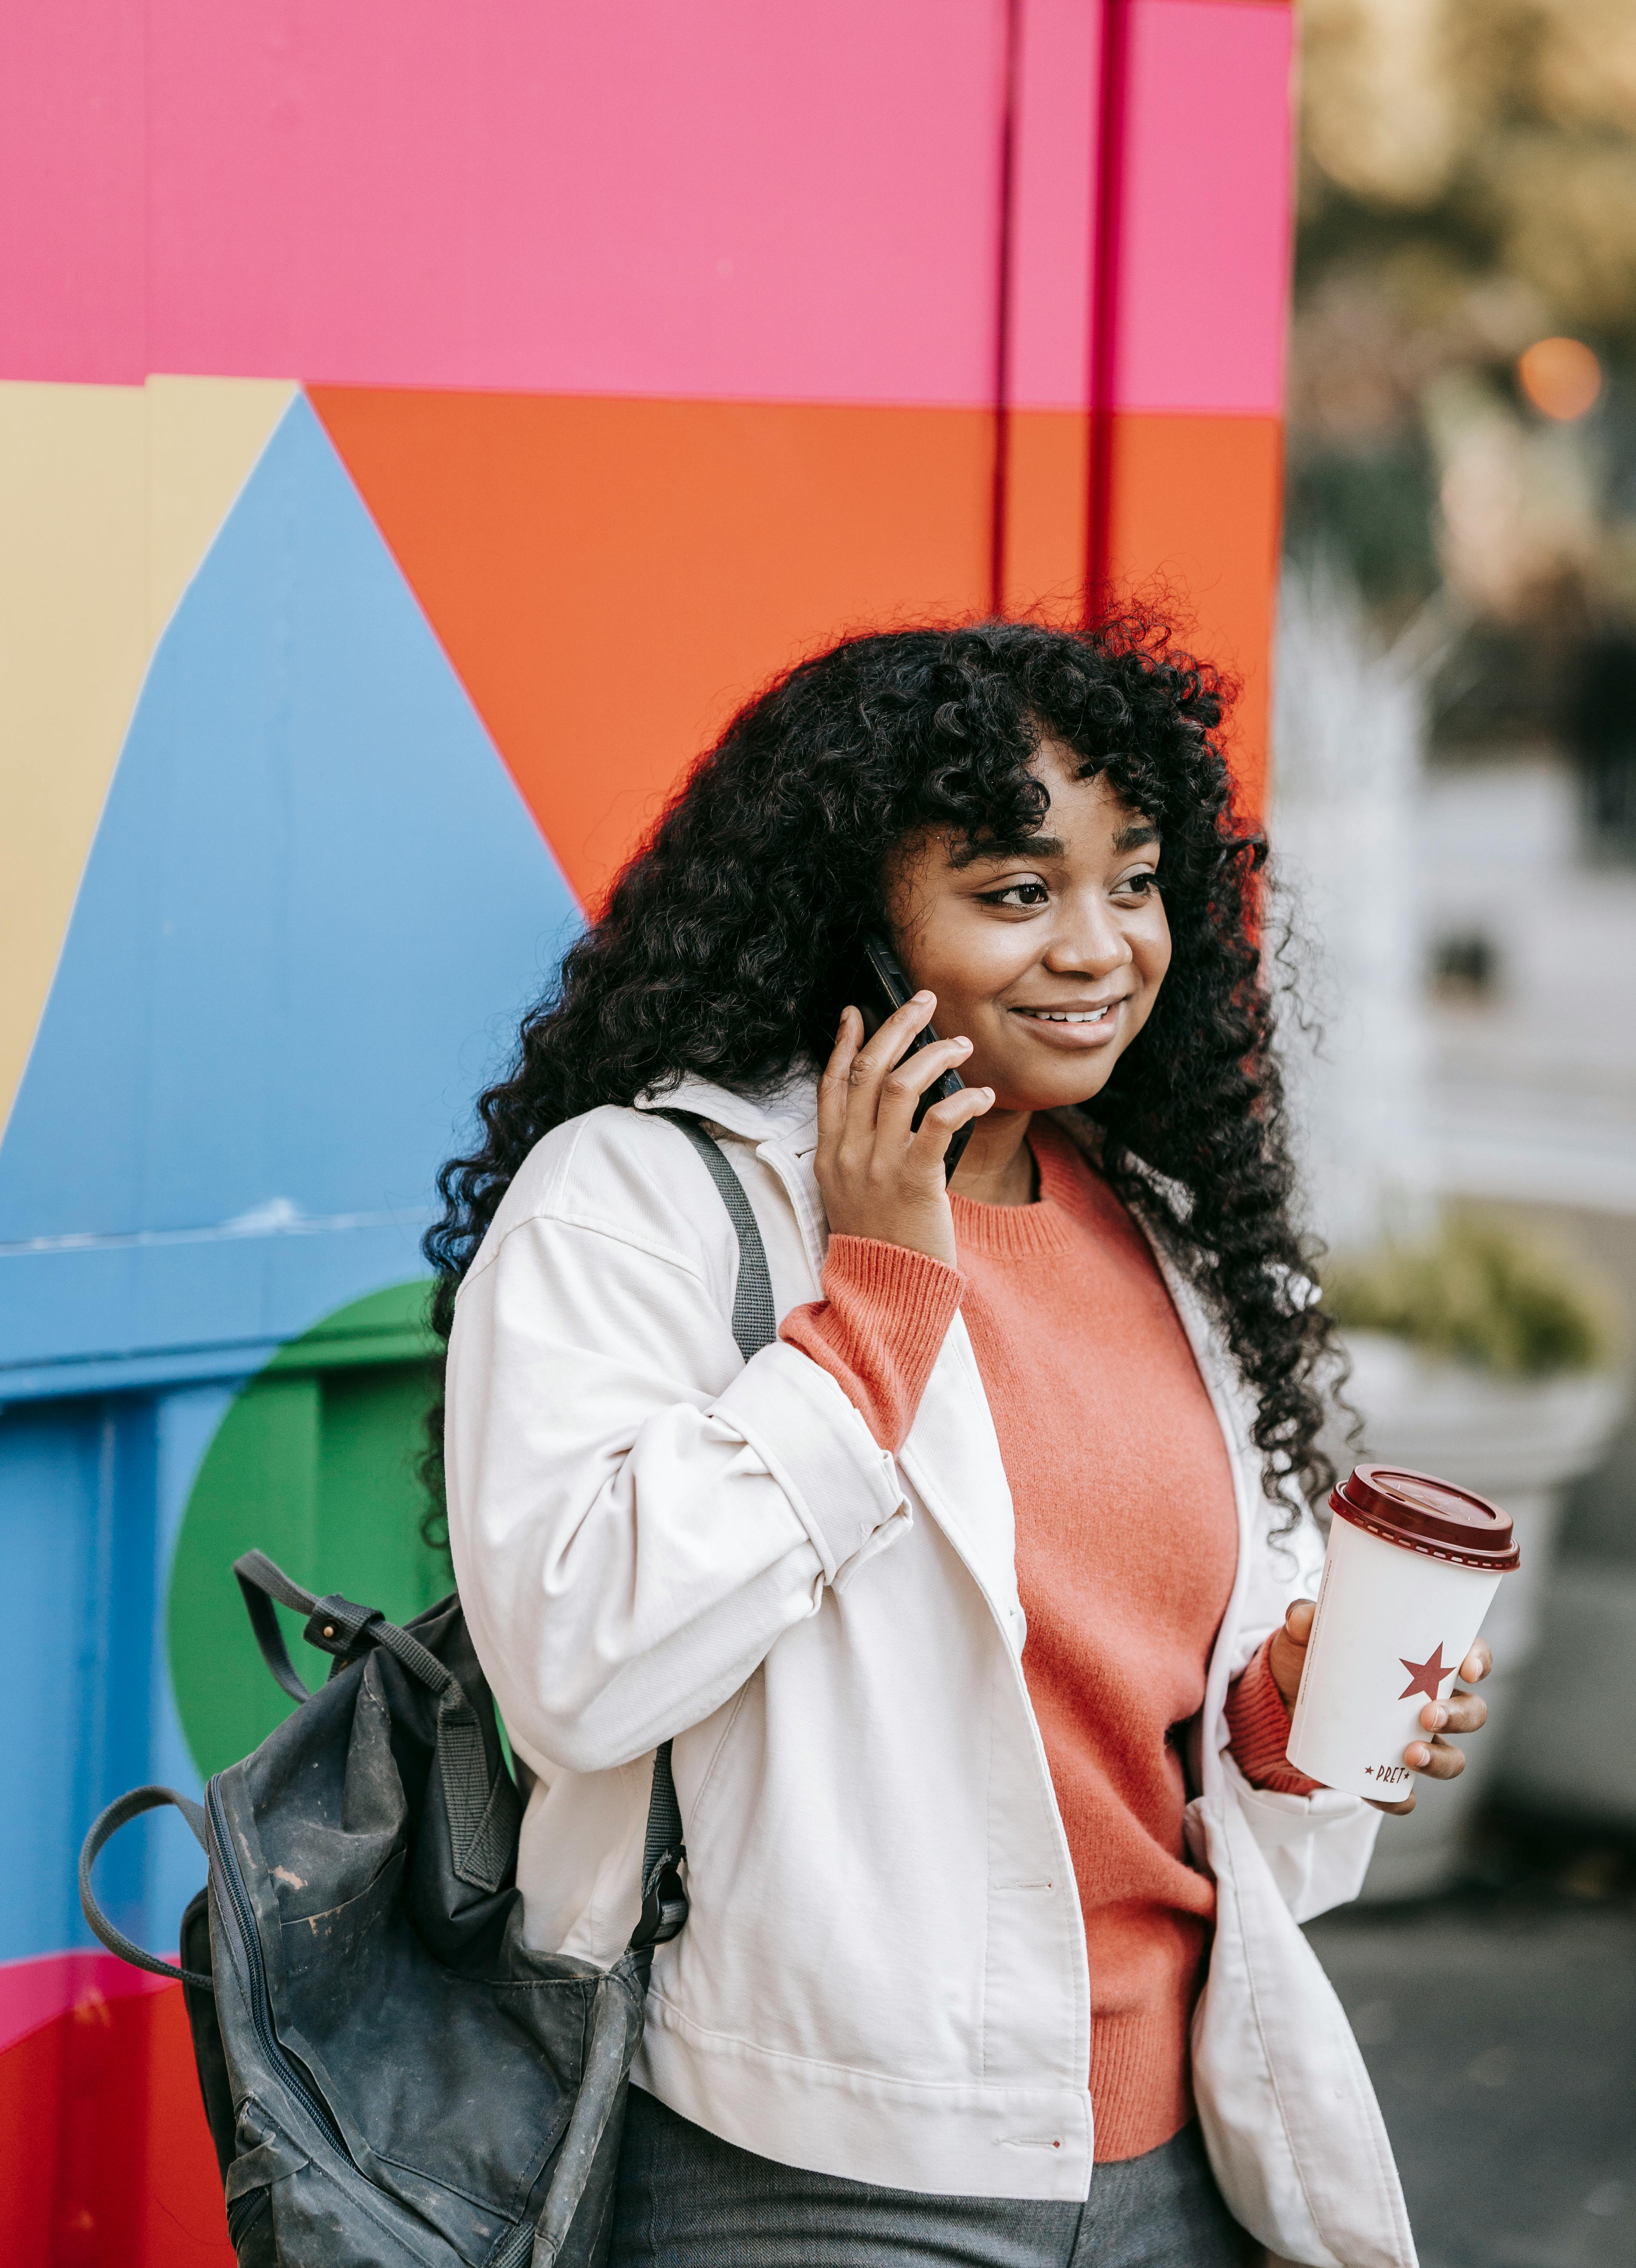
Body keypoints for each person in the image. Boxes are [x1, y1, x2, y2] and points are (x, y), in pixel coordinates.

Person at [428, 619, 1491, 2268]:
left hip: (1180, 2158)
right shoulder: (643, 1201)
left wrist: (1287, 1718)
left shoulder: (1168, 1237)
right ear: (856, 920)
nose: (1098, 947)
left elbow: (1149, 1737)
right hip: (809, 2178)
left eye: (1131, 882)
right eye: (1014, 893)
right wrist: (874, 1310)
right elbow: (577, 1662)